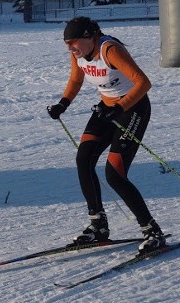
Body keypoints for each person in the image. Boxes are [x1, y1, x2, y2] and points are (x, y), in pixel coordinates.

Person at [47, 16, 166, 254]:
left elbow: (143, 82)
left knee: (114, 174)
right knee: (84, 159)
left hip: (133, 109)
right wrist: (63, 103)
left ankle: (152, 230)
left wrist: (119, 108)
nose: (70, 47)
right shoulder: (78, 54)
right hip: (108, 109)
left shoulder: (110, 50)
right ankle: (98, 225)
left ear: (90, 37)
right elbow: (75, 79)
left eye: (73, 42)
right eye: (66, 43)